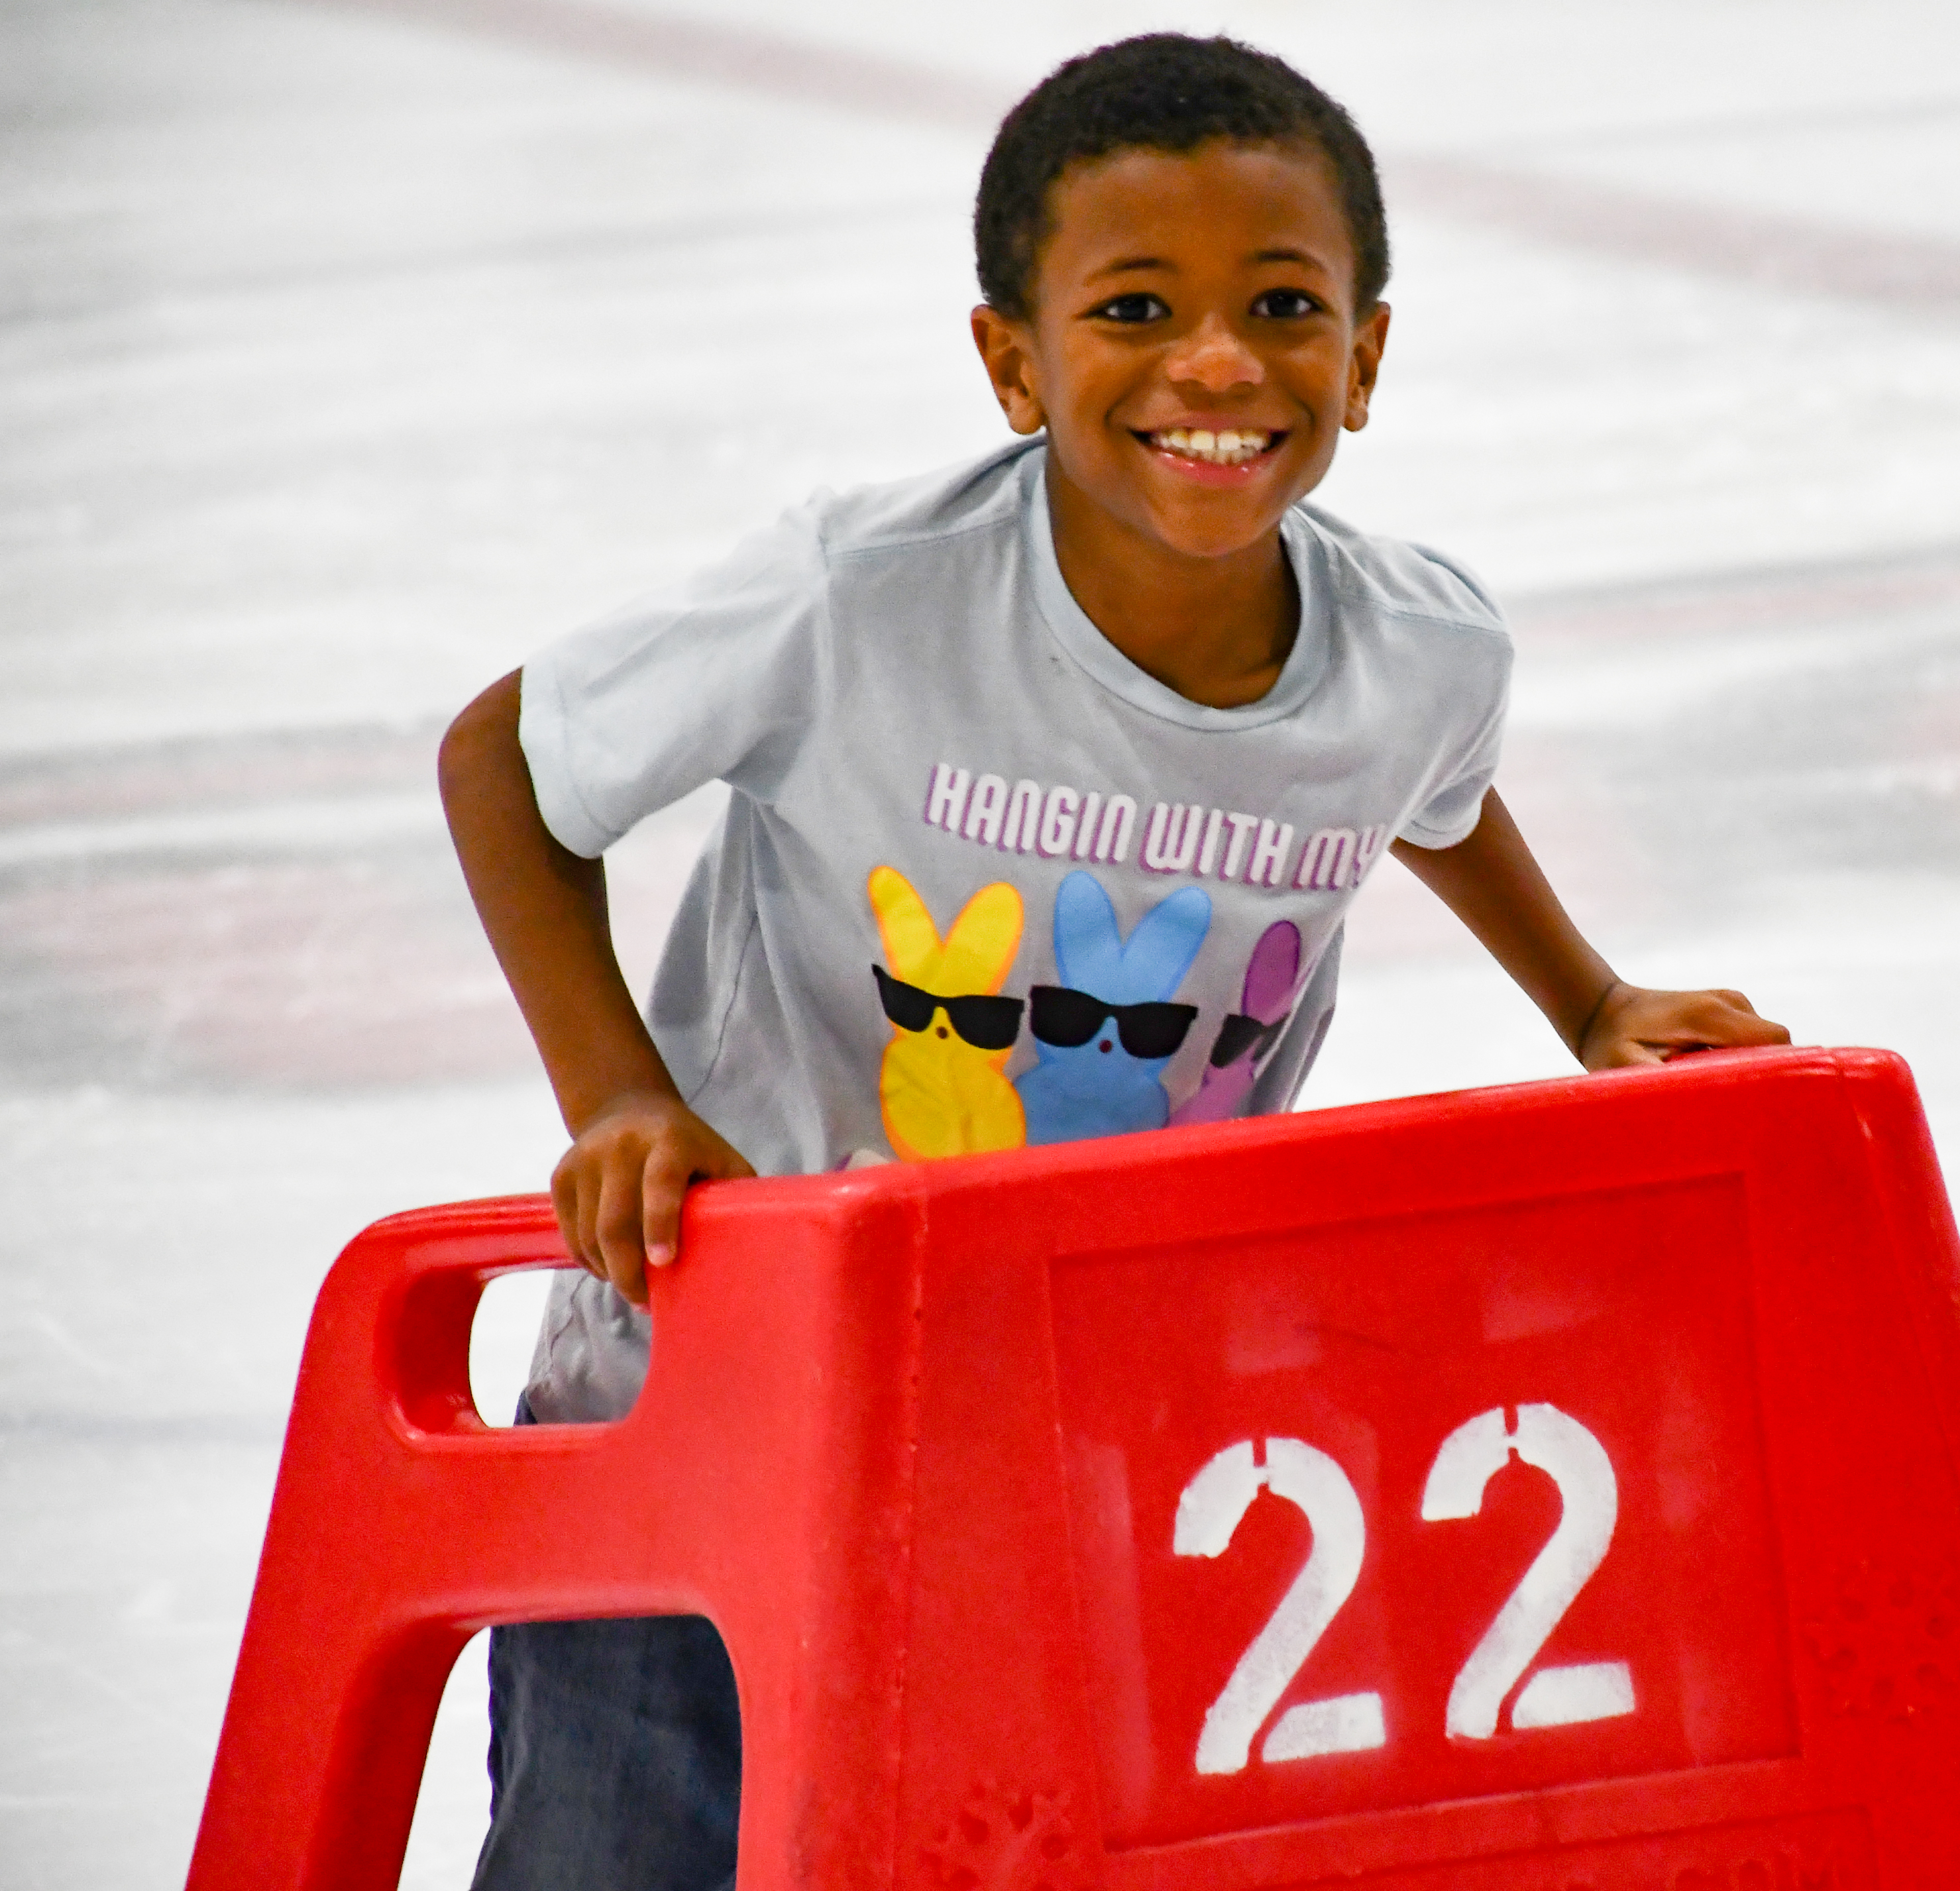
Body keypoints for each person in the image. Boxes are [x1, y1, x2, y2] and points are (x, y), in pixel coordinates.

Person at [437, 31, 1788, 1888]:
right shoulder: (861, 597)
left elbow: (1437, 793)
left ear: (1368, 357)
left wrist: (1593, 1001)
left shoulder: (1421, 652)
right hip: (701, 1420)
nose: (1218, 366)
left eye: (1284, 306)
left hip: (1093, 1449)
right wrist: (618, 1101)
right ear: (1014, 360)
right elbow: (508, 760)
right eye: (1137, 308)